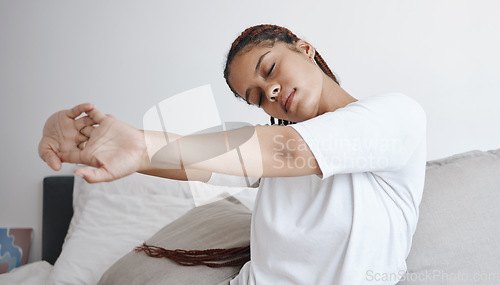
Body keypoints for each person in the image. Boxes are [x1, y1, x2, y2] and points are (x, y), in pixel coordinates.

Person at [39, 24, 426, 284]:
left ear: (305, 50)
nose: (269, 92)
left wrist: (141, 147)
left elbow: (288, 152)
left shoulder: (394, 116)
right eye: (256, 97)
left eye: (270, 68)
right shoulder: (260, 152)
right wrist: (115, 144)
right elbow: (193, 154)